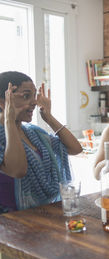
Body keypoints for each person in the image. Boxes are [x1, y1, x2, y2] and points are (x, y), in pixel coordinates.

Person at [0, 71, 82, 213]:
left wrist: (49, 117)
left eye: (34, 96)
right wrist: (9, 120)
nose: (35, 103)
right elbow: (18, 170)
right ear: (2, 102)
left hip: (40, 216)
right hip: (8, 223)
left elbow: (75, 148)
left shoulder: (33, 133)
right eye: (26, 96)